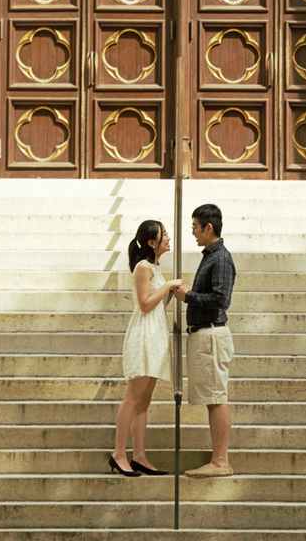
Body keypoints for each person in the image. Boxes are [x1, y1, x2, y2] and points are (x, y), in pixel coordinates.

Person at [109, 219, 182, 477]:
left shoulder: (154, 268)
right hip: (143, 335)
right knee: (133, 397)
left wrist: (171, 290)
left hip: (155, 335)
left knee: (144, 400)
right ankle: (119, 454)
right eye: (164, 235)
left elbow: (158, 304)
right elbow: (144, 304)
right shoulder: (142, 266)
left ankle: (138, 455)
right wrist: (168, 285)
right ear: (152, 242)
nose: (168, 238)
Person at [174, 203, 237, 478]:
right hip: (204, 334)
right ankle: (219, 458)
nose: (193, 233)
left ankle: (220, 460)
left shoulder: (220, 257)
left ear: (208, 228)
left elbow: (222, 299)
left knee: (216, 397)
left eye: (195, 228)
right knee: (213, 397)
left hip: (211, 333)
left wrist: (188, 296)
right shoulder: (211, 255)